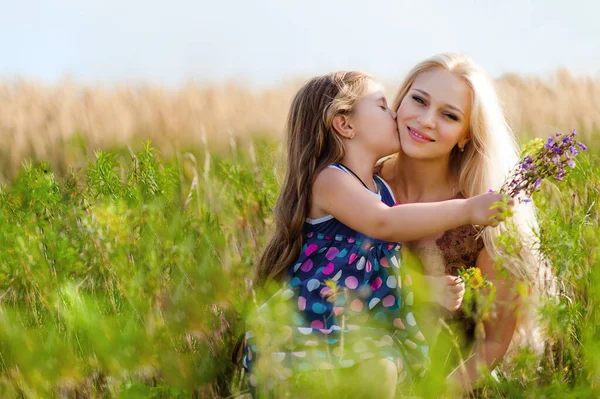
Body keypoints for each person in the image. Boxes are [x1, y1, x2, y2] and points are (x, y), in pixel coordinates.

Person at [243, 70, 511, 398]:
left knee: (383, 369)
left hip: (360, 331)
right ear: (345, 124)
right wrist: (468, 210)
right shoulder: (331, 181)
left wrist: (423, 291)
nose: (396, 113)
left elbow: (377, 270)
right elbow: (384, 224)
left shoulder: (381, 189)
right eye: (383, 106)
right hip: (310, 329)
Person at [375, 53, 547, 392]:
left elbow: (493, 343)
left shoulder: (485, 215)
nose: (425, 120)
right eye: (419, 100)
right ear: (402, 97)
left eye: (449, 115)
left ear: (466, 134)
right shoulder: (359, 186)